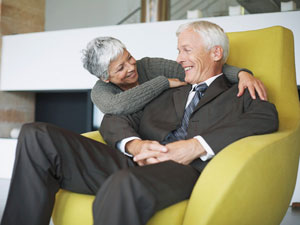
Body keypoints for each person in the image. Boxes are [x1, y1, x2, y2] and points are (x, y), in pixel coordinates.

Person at [0, 21, 278, 225]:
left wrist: (195, 146)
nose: (179, 58)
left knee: (124, 183)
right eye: (178, 51)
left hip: (182, 170)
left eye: (186, 50)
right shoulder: (168, 88)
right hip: (135, 161)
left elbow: (267, 116)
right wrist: (135, 145)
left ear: (215, 53)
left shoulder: (238, 93)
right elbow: (115, 117)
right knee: (35, 134)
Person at [83, 37, 267, 115]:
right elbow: (118, 106)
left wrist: (241, 74)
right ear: (105, 77)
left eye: (129, 57)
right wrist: (162, 83)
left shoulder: (148, 65)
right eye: (121, 68)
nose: (131, 67)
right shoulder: (100, 91)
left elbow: (198, 70)